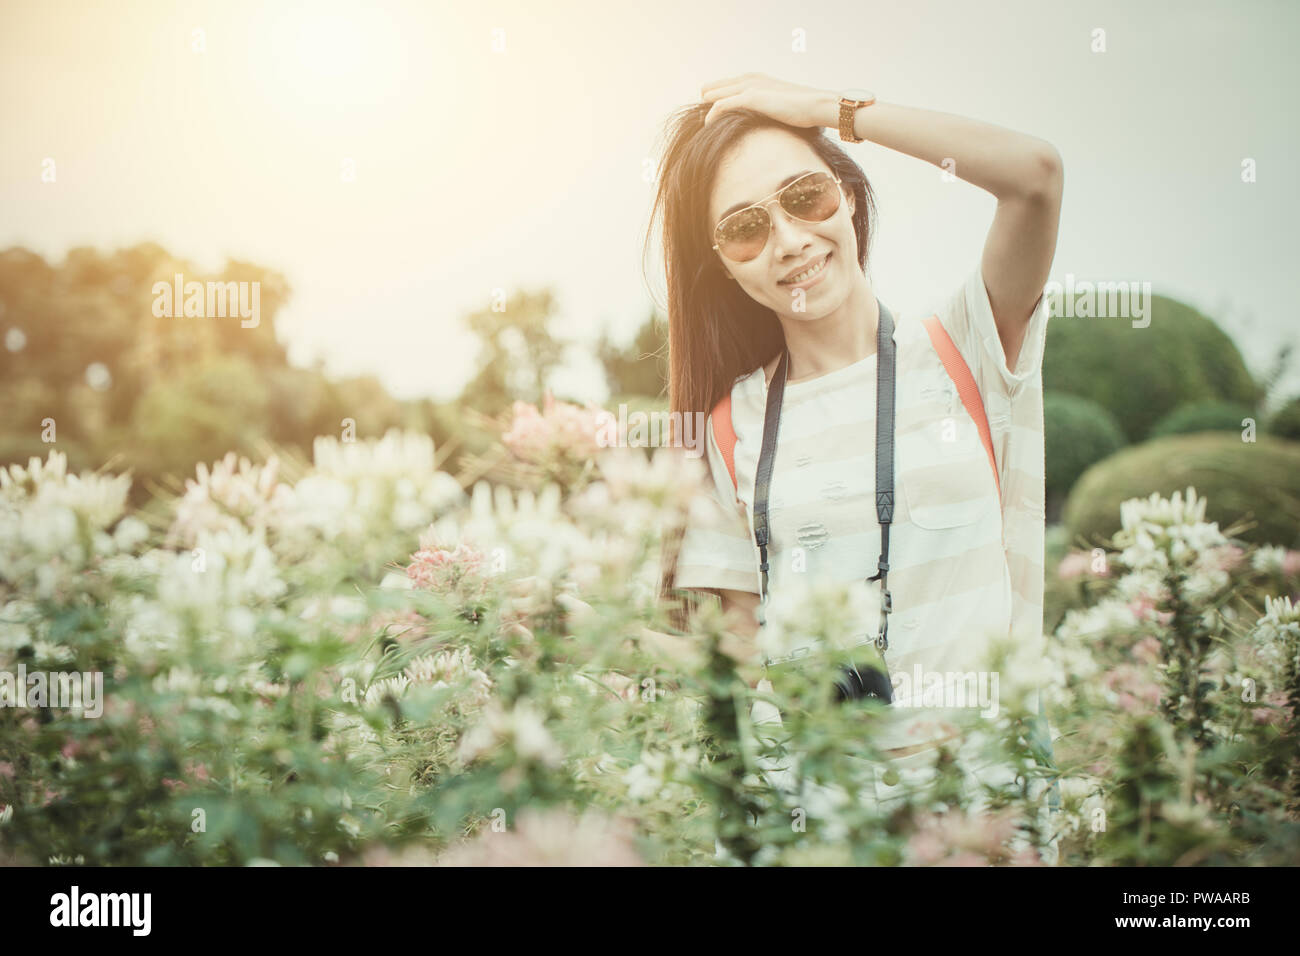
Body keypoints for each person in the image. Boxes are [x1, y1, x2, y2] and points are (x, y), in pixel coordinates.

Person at [643, 74, 1064, 855]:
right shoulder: (730, 428)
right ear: (724, 267)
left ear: (848, 197)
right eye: (745, 227)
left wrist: (831, 113)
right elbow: (733, 671)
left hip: (996, 820)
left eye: (805, 196)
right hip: (833, 832)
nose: (790, 241)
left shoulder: (966, 348)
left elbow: (1034, 175)